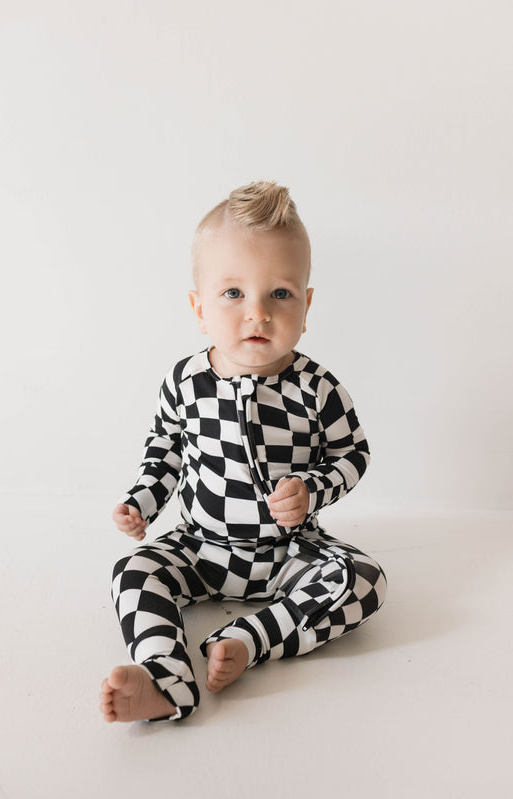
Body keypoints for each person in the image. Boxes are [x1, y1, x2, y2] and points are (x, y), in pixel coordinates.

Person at [99, 180, 387, 723]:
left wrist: (313, 489)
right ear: (198, 306)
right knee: (132, 572)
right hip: (200, 548)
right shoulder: (184, 381)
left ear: (306, 304)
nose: (257, 313)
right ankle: (165, 677)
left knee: (364, 579)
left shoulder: (316, 387)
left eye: (279, 293)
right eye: (233, 294)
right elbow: (165, 450)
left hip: (288, 553)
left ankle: (248, 641)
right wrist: (142, 502)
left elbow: (353, 452)